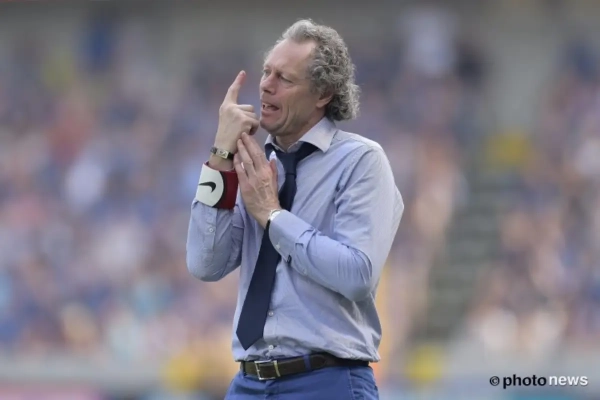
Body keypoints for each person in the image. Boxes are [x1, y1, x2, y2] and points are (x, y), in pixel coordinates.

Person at [186, 19, 403, 399]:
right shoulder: (253, 164)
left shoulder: (361, 161)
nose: (266, 85)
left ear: (323, 94)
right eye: (266, 71)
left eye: (284, 78)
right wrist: (219, 157)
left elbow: (357, 275)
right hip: (248, 383)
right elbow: (205, 263)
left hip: (327, 380)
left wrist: (274, 217)